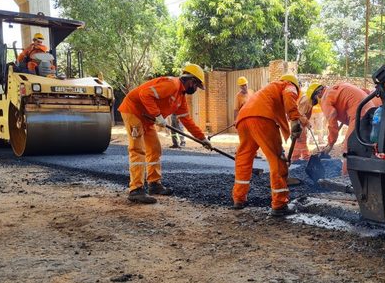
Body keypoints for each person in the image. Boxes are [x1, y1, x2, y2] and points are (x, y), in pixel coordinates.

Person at [118, 63, 212, 204]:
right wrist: (157, 115)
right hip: (134, 111)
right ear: (191, 81)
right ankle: (135, 189)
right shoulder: (172, 84)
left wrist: (202, 139)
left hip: (147, 118)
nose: (196, 89)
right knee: (138, 149)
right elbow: (145, 94)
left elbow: (187, 120)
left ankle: (154, 184)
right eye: (196, 86)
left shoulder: (180, 97)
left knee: (155, 149)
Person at [232, 74, 307, 216]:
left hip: (243, 120)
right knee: (277, 159)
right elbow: (289, 94)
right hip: (262, 119)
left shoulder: (269, 89)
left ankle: (239, 199)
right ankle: (279, 204)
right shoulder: (288, 85)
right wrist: (294, 119)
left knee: (244, 159)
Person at [307, 82, 380, 174]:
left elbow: (332, 116)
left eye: (316, 101)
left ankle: (346, 176)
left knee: (349, 147)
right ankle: (367, 173)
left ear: (318, 94)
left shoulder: (325, 97)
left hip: (359, 114)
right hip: (370, 111)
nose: (318, 103)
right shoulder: (337, 88)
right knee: (366, 145)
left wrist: (330, 143)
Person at [291, 94, 312, 162]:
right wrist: (307, 123)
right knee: (301, 140)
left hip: (298, 122)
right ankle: (305, 157)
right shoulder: (306, 100)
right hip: (299, 123)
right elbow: (300, 114)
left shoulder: (306, 99)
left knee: (298, 141)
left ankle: (295, 157)